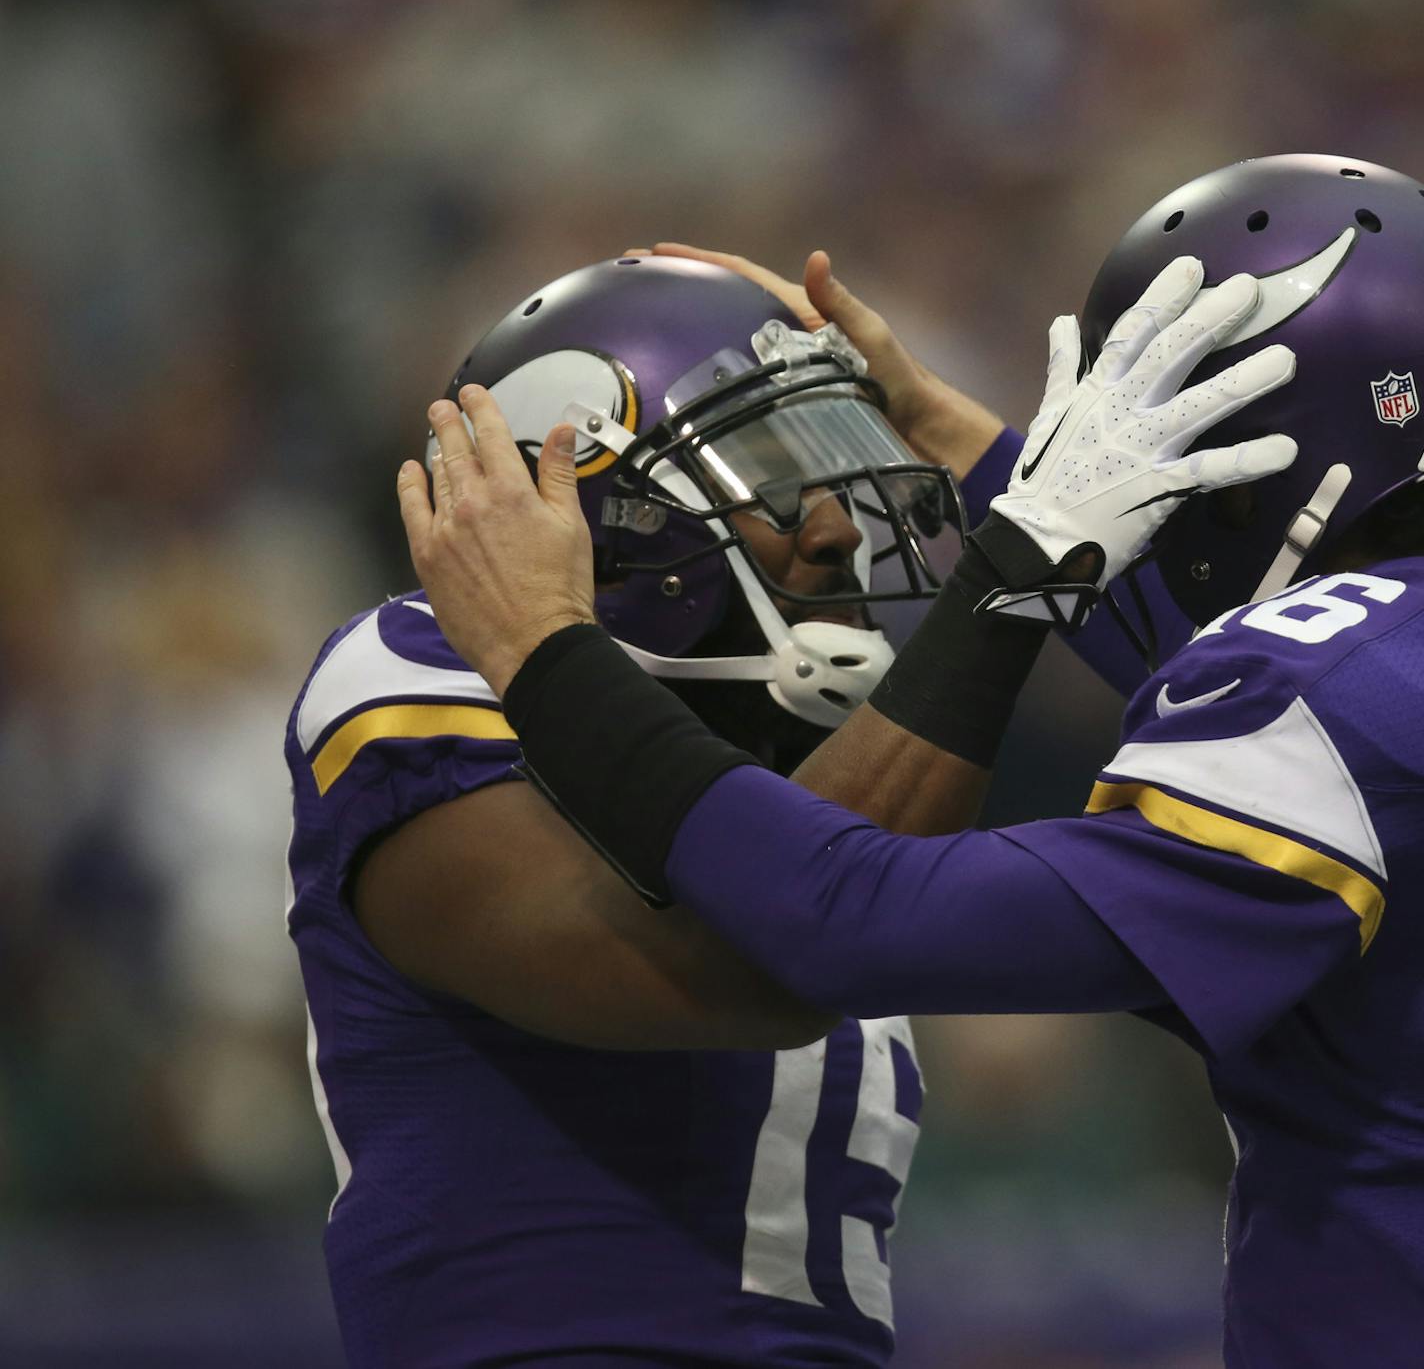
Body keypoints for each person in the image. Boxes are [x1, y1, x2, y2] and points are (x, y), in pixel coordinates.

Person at [405, 154, 1424, 1368]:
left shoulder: (1338, 716)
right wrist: (968, 443)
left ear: (1261, 460)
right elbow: (1415, 692)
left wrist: (546, 650)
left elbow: (841, 921)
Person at [287, 249, 1293, 1367]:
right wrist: (1024, 563)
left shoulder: (796, 776)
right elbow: (772, 943)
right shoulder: (422, 676)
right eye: (774, 469)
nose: (836, 527)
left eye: (839, 468)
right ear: (603, 513)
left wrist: (1007, 484)